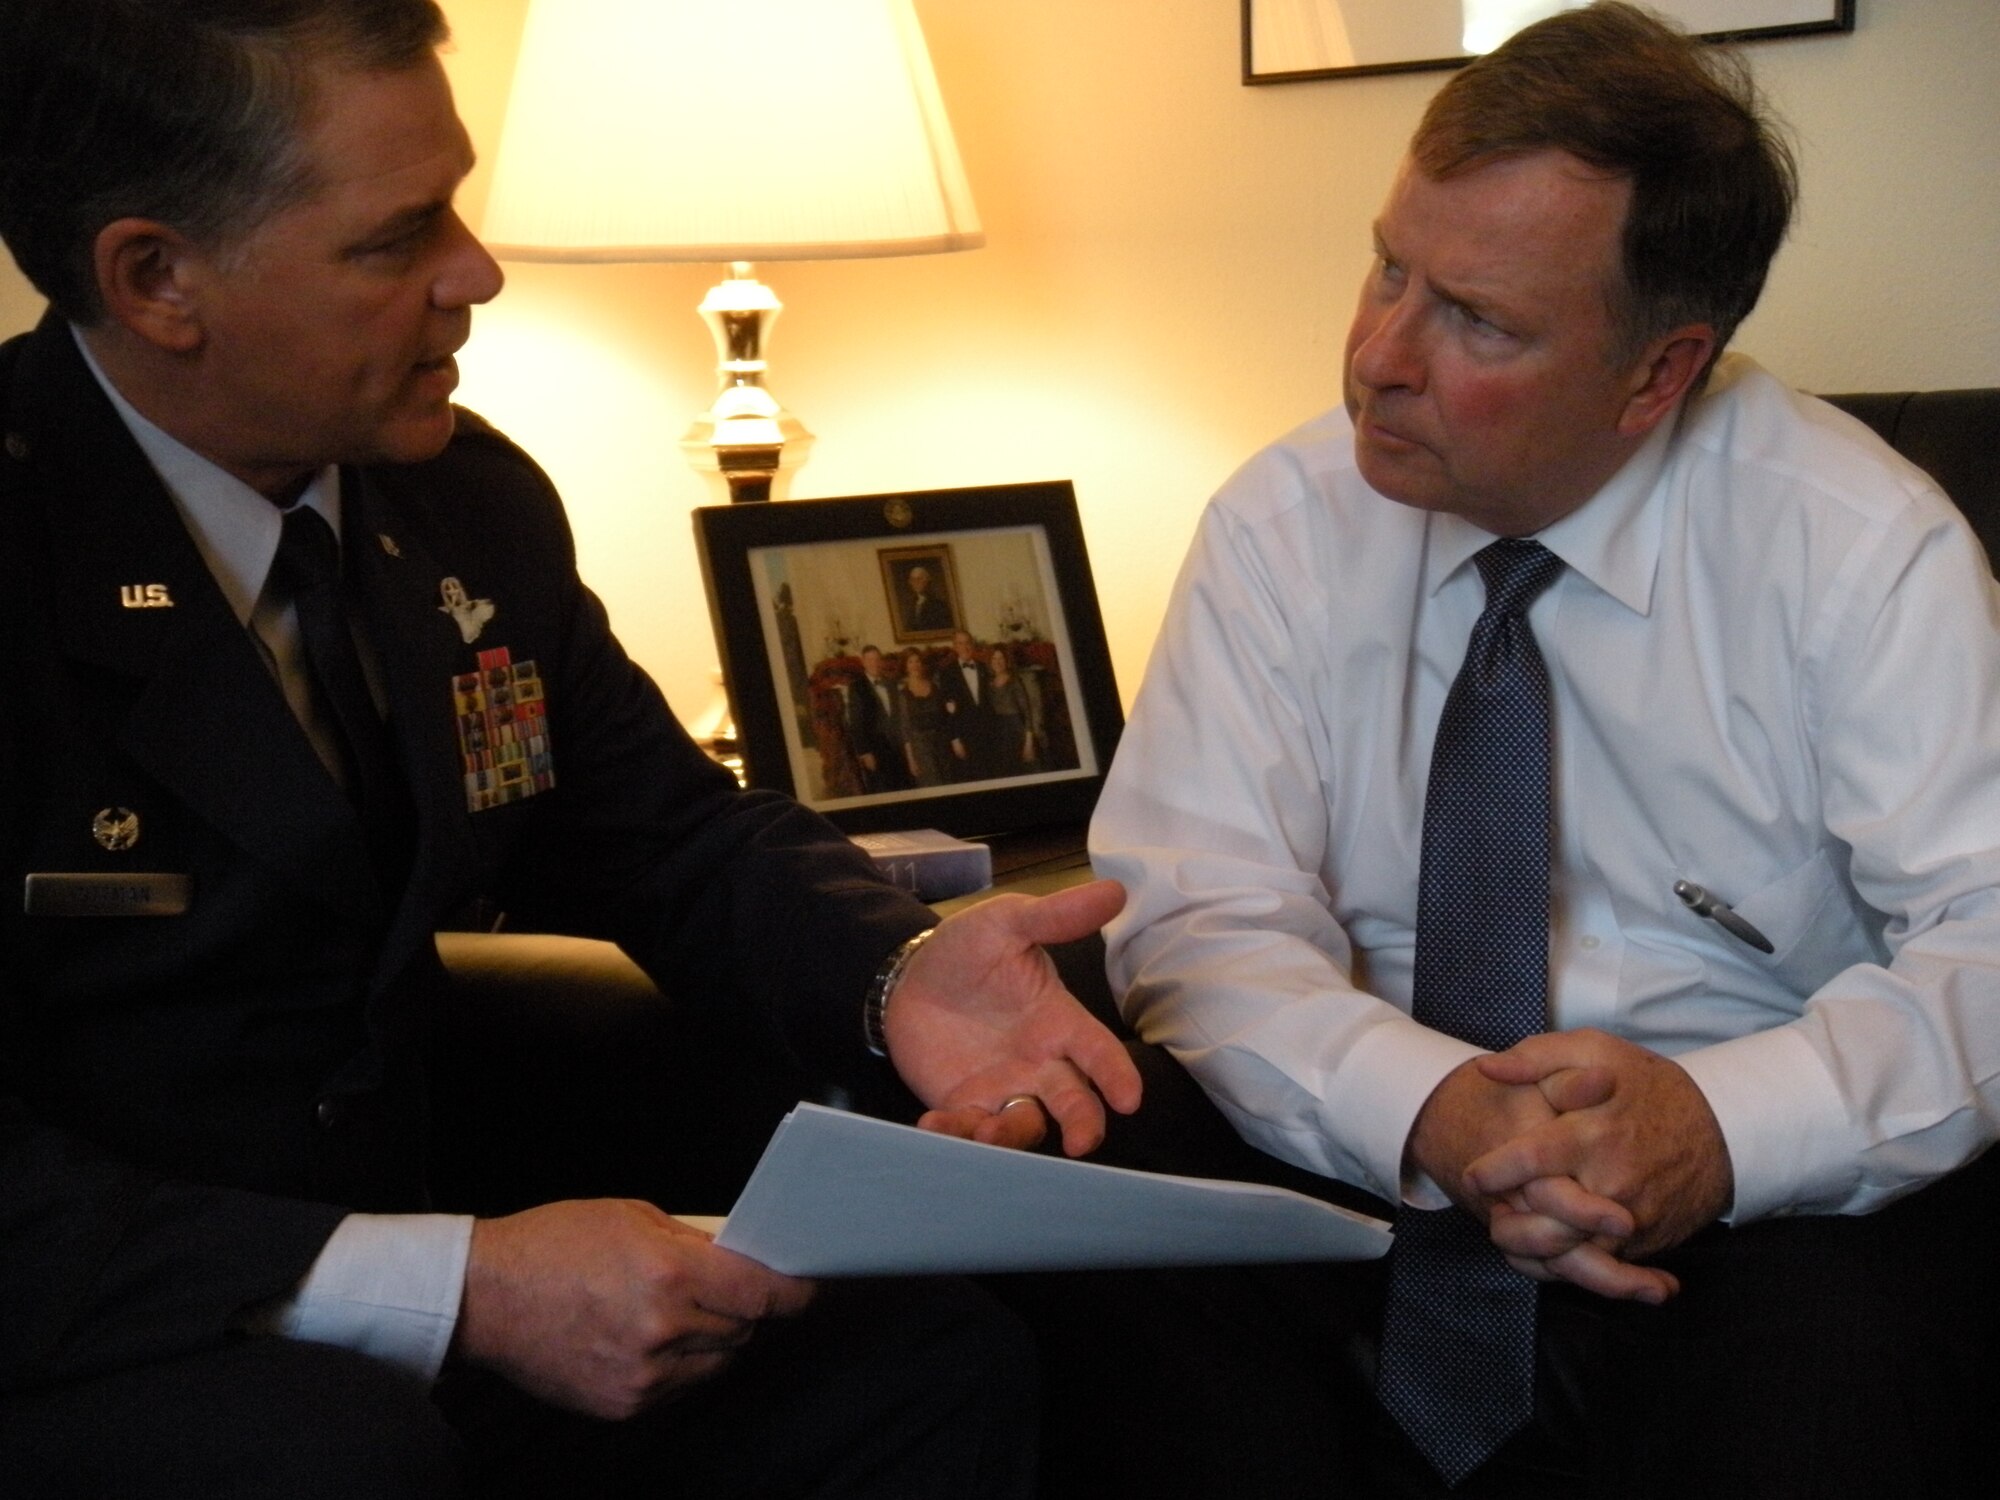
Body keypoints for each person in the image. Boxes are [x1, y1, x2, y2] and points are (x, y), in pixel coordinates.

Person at [0, 4, 1142, 1497]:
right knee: (342, 1457)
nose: (476, 273)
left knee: (924, 1365)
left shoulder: (461, 506)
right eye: (397, 238)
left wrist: (896, 968)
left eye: (456, 205)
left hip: (430, 1230)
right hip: (106, 1312)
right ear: (157, 279)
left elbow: (664, 831)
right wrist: (460, 1285)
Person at [1086, 4, 1999, 1497]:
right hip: (1364, 1146)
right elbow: (1200, 912)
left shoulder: (1858, 550)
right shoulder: (1280, 523)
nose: (1376, 356)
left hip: (1742, 1193)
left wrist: (1717, 1129)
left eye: (1476, 320)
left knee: (1853, 1357)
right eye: (1387, 268)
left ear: (1657, 373)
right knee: (1094, 1209)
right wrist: (1432, 1108)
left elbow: (1988, 937)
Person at [844, 643, 910, 795]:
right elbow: (856, 723)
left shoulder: (891, 683)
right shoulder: (857, 687)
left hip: (898, 749)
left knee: (903, 789)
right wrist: (865, 752)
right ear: (863, 662)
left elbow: (900, 716)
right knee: (882, 791)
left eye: (877, 659)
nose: (874, 663)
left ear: (881, 661)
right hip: (875, 750)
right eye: (870, 660)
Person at [897, 647, 961, 787]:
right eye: (910, 662)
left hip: (942, 743)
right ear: (905, 666)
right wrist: (911, 760)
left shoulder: (934, 686)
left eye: (917, 661)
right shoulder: (903, 694)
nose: (915, 665)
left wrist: (954, 740)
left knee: (949, 783)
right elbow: (905, 728)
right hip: (921, 748)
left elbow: (945, 716)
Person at [986, 644, 1043, 773]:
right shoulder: (988, 683)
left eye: (1001, 658)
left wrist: (1029, 742)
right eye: (994, 658)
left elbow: (1027, 711)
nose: (997, 662)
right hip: (998, 732)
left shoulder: (1015, 681)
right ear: (990, 661)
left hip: (1015, 729)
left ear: (1007, 661)